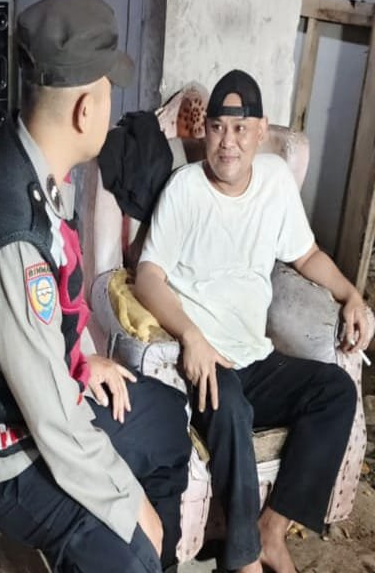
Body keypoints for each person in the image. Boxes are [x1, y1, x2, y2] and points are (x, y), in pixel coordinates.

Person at [0, 0, 191, 573]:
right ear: (84, 111)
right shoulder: (15, 233)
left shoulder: (24, 158)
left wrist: (79, 357)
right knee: (131, 548)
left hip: (38, 393)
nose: (111, 106)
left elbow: (44, 329)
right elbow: (54, 425)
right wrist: (130, 507)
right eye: (108, 91)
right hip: (5, 449)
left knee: (168, 422)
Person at [133, 69, 368, 573]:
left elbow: (307, 255)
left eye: (240, 129)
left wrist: (351, 293)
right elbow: (147, 276)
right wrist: (191, 337)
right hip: (203, 362)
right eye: (218, 128)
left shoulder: (276, 181)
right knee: (230, 406)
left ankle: (271, 533)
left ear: (261, 132)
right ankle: (242, 560)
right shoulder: (185, 189)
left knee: (335, 391)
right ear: (205, 132)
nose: (228, 142)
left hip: (256, 359)